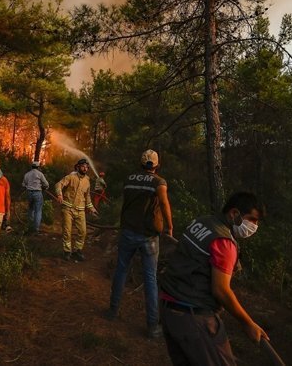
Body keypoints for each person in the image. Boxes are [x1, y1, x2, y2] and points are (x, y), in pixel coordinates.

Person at [159, 191, 268, 365]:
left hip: (169, 309)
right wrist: (247, 323)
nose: (254, 226)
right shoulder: (223, 241)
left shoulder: (202, 222)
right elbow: (221, 290)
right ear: (234, 213)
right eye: (252, 219)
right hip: (194, 316)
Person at [104, 149, 173, 339]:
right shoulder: (159, 182)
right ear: (157, 165)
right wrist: (170, 227)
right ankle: (152, 326)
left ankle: (112, 311)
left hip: (128, 232)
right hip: (149, 236)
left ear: (141, 163)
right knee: (150, 278)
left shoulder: (129, 179)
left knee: (121, 270)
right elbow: (165, 203)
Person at [55, 158, 97, 261]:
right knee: (67, 231)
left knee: (83, 231)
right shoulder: (71, 177)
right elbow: (58, 184)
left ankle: (77, 250)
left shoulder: (87, 180)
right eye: (83, 166)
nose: (85, 168)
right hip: (68, 209)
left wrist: (91, 208)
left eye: (87, 167)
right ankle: (67, 252)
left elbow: (87, 197)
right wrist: (60, 195)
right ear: (78, 167)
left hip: (81, 211)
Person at [22, 160, 49, 235]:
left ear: (32, 167)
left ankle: (30, 227)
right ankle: (36, 229)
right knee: (38, 211)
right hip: (37, 193)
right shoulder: (40, 174)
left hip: (29, 193)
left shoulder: (27, 174)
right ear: (38, 167)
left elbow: (23, 184)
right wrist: (45, 187)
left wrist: (28, 186)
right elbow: (46, 184)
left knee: (31, 209)